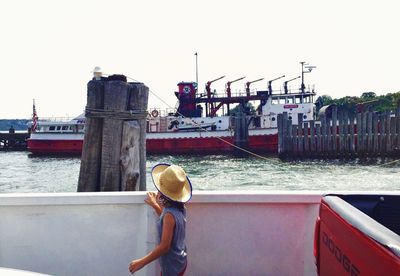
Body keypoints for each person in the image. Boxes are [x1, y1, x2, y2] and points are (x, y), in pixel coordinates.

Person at [129, 164, 192, 275]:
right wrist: (155, 205)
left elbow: (164, 247)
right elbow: (167, 222)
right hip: (180, 260)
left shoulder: (169, 215)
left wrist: (141, 262)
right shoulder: (180, 208)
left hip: (172, 265)